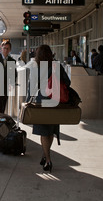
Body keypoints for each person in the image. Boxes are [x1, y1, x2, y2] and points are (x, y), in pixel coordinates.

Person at [26, 45, 71, 173]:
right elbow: (67, 83)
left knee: (43, 132)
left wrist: (28, 102)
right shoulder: (57, 67)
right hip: (55, 102)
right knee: (50, 131)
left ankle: (48, 160)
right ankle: (44, 155)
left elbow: (31, 88)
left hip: (41, 104)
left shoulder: (36, 68)